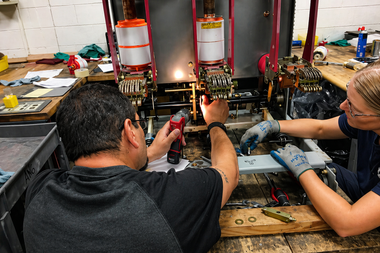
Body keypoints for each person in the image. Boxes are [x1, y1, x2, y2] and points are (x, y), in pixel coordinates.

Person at [23, 83, 239, 253]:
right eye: (139, 124)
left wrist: (149, 153)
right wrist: (215, 123)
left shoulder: (39, 189)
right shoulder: (172, 199)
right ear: (129, 130)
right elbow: (229, 171)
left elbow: (104, 170)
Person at [240, 60, 380, 237]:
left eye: (352, 107)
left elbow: (347, 224)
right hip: (366, 189)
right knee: (325, 171)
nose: (342, 106)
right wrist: (273, 125)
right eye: (347, 98)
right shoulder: (366, 121)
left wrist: (303, 170)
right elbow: (319, 128)